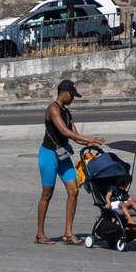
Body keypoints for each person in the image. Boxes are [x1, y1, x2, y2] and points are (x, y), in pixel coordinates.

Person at [36, 79, 103, 246]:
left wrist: (89, 143)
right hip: (49, 155)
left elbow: (74, 135)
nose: (72, 98)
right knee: (47, 194)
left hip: (63, 155)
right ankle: (39, 234)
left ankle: (68, 233)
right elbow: (64, 131)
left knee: (73, 191)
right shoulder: (53, 108)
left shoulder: (67, 112)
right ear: (62, 93)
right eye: (71, 95)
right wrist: (89, 138)